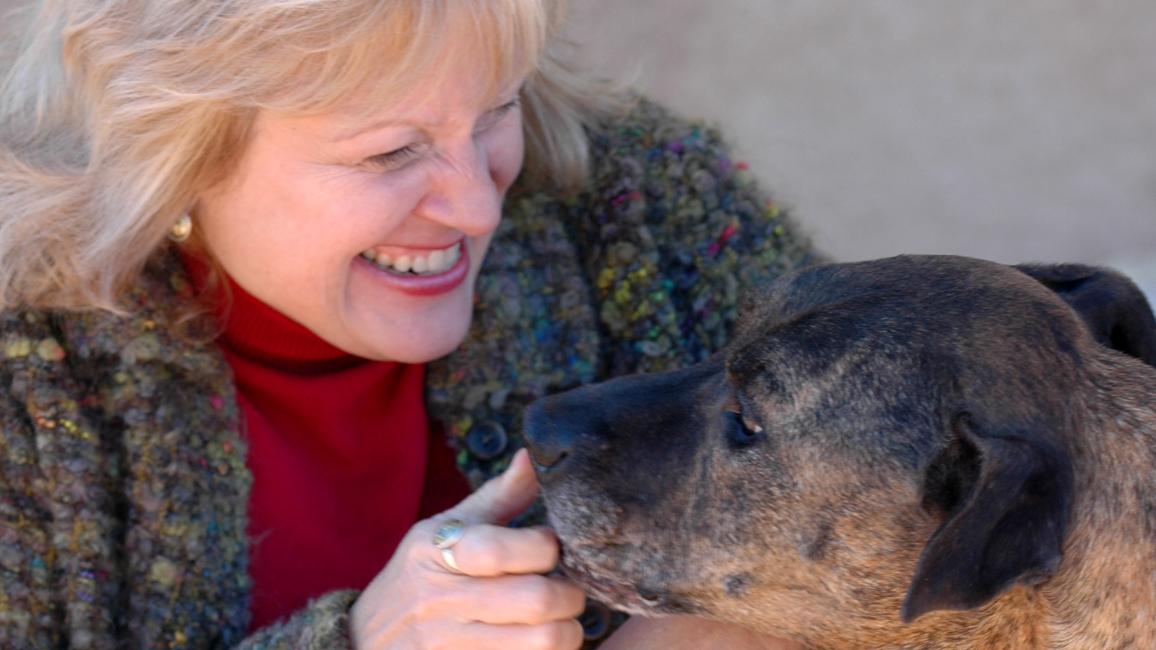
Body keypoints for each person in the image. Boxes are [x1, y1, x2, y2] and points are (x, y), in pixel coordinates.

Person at [0, 0, 818, 647]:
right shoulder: (25, 383)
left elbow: (883, 486)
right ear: (176, 156)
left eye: (496, 110)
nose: (478, 204)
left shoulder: (646, 199)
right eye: (389, 153)